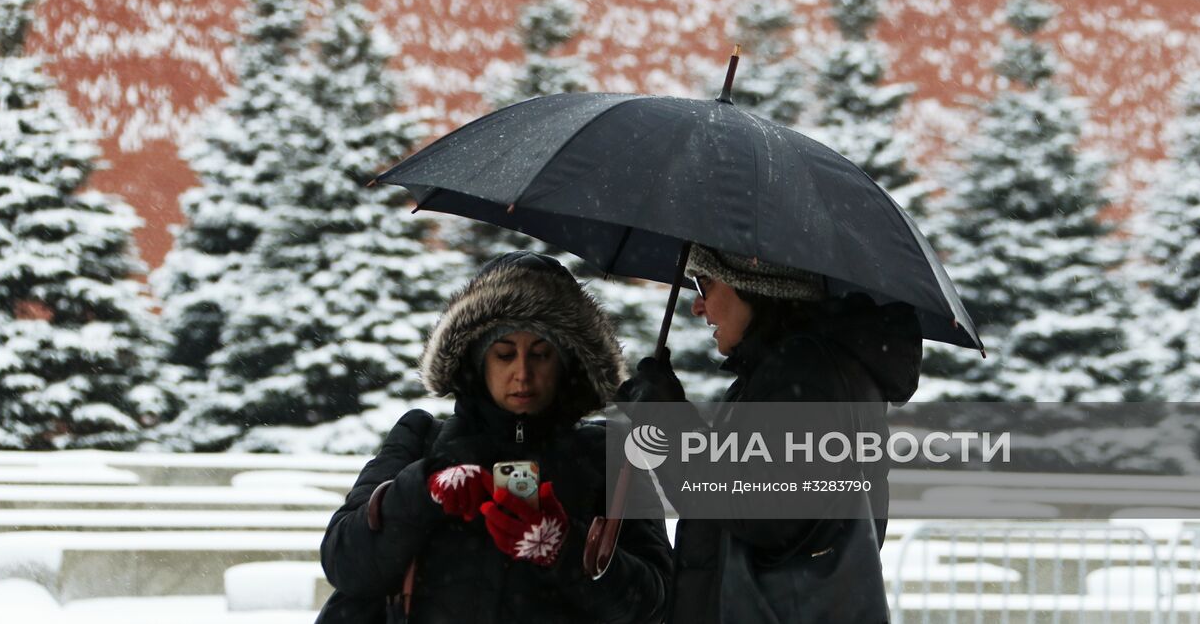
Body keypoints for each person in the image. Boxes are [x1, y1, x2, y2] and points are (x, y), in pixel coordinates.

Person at [317, 250, 671, 624]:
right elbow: (345, 562)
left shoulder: (612, 455)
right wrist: (421, 491)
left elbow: (657, 603)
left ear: (568, 361)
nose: (522, 373)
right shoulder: (420, 438)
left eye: (541, 354)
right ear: (476, 360)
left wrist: (564, 548)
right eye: (504, 354)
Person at [618, 245, 923, 624]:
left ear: (755, 283)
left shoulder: (807, 374)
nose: (698, 306)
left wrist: (666, 420)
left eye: (706, 283)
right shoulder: (786, 372)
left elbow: (758, 509)